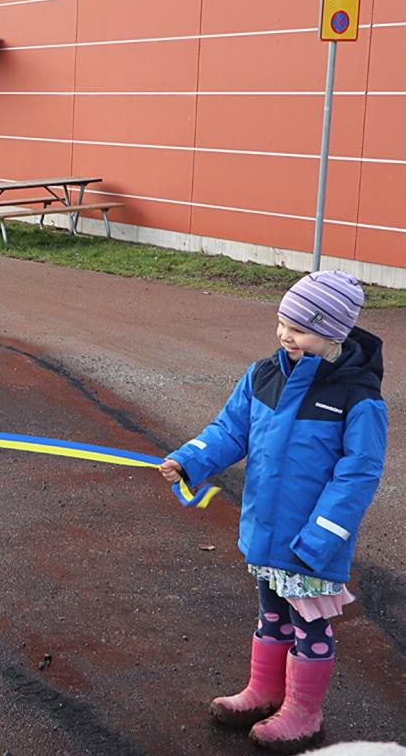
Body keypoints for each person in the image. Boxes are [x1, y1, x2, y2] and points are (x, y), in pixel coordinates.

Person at [159, 271, 387, 752]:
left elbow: (359, 474)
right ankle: (264, 692)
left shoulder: (358, 398)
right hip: (266, 531)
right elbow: (229, 430)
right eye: (282, 322)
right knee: (271, 615)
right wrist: (189, 459)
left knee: (309, 625)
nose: (285, 335)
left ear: (334, 334)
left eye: (300, 329)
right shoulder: (263, 375)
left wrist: (323, 538)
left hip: (312, 543)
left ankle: (304, 713)